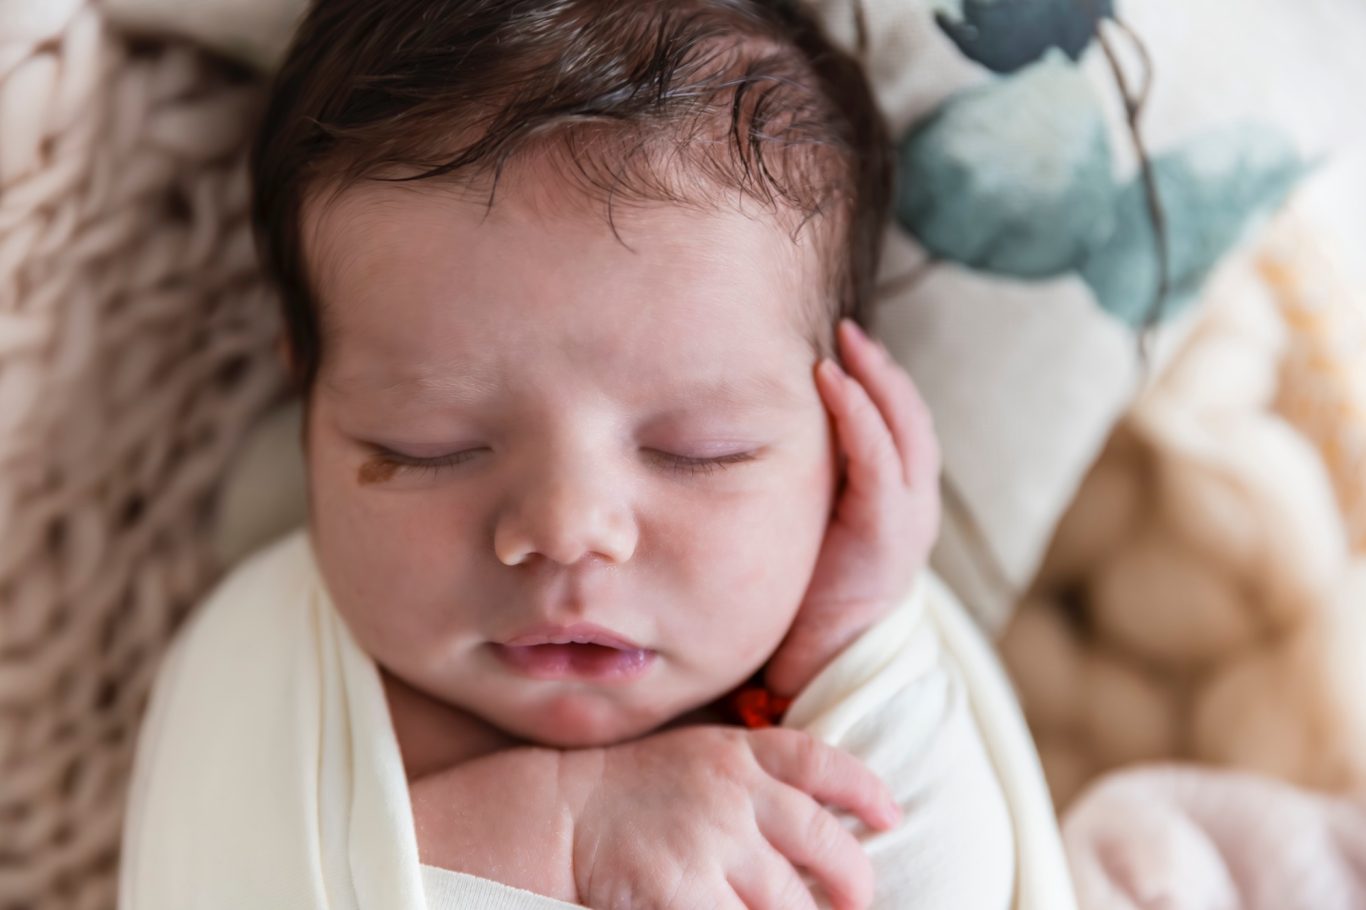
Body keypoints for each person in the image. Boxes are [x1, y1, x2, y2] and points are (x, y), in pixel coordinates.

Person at [119, 2, 1072, 907]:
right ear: (308, 402)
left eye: (703, 450)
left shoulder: (842, 636)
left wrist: (852, 645)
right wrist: (564, 834)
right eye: (429, 445)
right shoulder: (276, 663)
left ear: (843, 431)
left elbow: (943, 883)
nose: (567, 530)